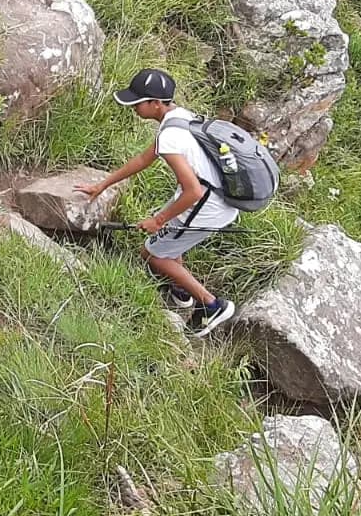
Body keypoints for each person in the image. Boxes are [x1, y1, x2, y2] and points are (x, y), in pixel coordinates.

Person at [75, 67, 238, 337]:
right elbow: (144, 159)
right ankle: (180, 291)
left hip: (208, 204)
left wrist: (157, 220)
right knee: (169, 240)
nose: (134, 108)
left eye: (138, 103)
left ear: (156, 103)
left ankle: (212, 305)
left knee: (153, 254)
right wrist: (102, 185)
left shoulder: (171, 137)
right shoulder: (180, 118)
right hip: (211, 196)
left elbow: (193, 191)